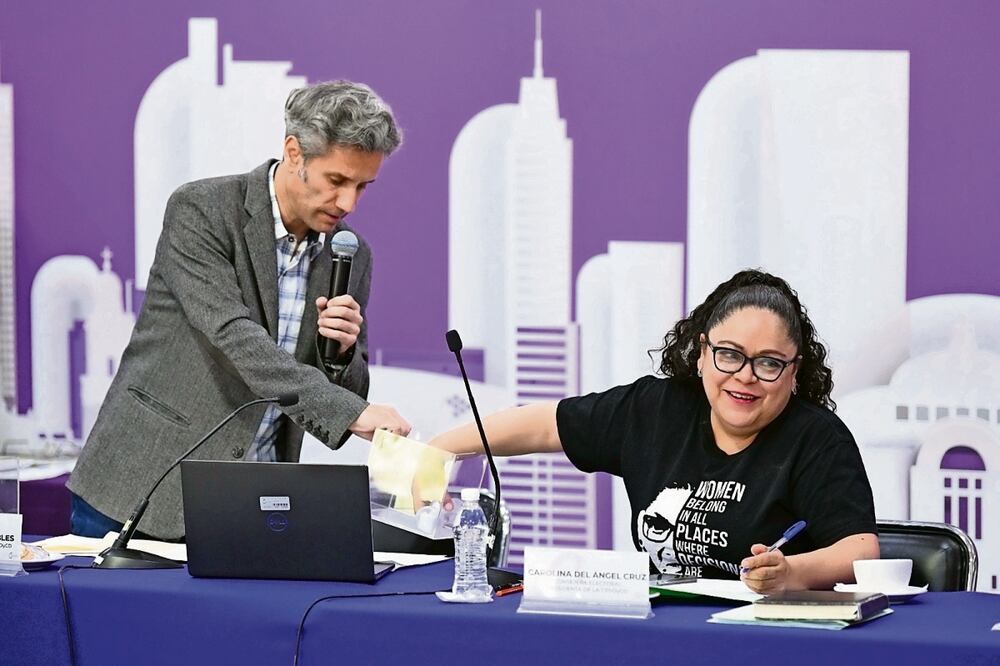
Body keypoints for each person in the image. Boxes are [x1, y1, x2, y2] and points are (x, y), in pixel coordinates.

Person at [68, 81, 412, 540]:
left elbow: (347, 383)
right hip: (141, 485)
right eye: (337, 181)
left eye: (363, 187)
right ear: (294, 153)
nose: (348, 203)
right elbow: (234, 337)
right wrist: (350, 410)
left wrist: (343, 353)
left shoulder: (352, 253)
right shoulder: (201, 210)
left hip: (251, 502)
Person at [430, 269, 879, 594]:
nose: (745, 376)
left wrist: (790, 572)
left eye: (768, 363)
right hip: (659, 630)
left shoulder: (817, 438)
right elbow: (543, 425)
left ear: (794, 371)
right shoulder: (657, 409)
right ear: (703, 352)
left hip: (765, 638)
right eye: (729, 354)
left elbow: (860, 551)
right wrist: (436, 452)